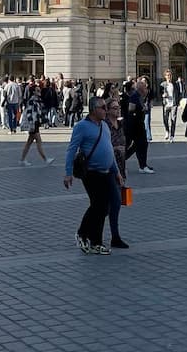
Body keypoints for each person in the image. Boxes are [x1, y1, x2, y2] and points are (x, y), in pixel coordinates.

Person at [63, 95, 121, 255]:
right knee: (99, 205)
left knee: (103, 207)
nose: (106, 110)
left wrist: (116, 172)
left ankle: (95, 241)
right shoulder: (81, 126)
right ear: (94, 109)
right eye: (103, 107)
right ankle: (83, 234)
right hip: (91, 172)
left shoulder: (104, 125)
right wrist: (68, 173)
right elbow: (71, 149)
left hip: (107, 171)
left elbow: (109, 148)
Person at [104, 97, 129, 249]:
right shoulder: (105, 125)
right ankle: (90, 231)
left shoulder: (120, 124)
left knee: (116, 204)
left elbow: (125, 142)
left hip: (121, 167)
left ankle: (115, 236)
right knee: (110, 204)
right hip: (108, 168)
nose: (117, 109)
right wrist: (115, 150)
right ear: (107, 110)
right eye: (114, 108)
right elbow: (104, 146)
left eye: (118, 107)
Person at [122, 79, 154, 173]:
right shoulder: (135, 96)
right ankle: (122, 159)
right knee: (132, 144)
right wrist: (141, 109)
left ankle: (143, 165)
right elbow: (131, 109)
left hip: (138, 125)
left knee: (142, 145)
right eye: (145, 87)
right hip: (133, 126)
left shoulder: (139, 96)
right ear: (141, 89)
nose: (147, 89)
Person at [19, 89, 53, 165]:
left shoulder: (38, 100)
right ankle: (45, 159)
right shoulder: (32, 101)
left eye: (39, 90)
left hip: (36, 123)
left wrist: (45, 120)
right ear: (34, 92)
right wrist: (31, 123)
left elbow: (41, 112)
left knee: (29, 142)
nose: (39, 92)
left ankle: (22, 159)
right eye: (37, 90)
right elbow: (29, 113)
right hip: (33, 124)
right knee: (38, 141)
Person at [160, 69, 180, 142]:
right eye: (167, 75)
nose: (169, 77)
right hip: (166, 104)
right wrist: (163, 95)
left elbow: (178, 93)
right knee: (165, 119)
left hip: (173, 104)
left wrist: (178, 102)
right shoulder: (162, 84)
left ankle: (172, 136)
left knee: (173, 120)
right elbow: (159, 94)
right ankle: (167, 131)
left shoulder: (175, 84)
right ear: (165, 76)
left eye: (170, 75)